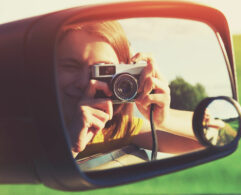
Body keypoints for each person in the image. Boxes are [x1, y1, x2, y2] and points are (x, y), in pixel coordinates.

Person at [57, 20, 203, 158]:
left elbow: (208, 140)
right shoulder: (34, 126)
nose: (84, 82)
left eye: (102, 70)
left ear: (123, 74)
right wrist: (69, 145)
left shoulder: (114, 130)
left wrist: (163, 119)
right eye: (71, 67)